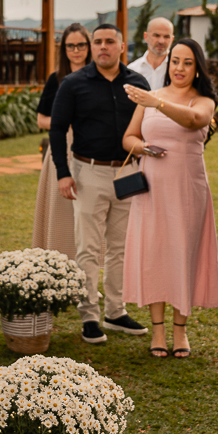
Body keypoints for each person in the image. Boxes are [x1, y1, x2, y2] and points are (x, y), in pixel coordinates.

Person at [121, 38, 218, 358]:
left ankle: (180, 331)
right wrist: (143, 148)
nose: (179, 68)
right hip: (152, 190)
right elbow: (128, 137)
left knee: (182, 253)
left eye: (187, 62)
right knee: (155, 255)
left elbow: (194, 120)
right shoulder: (152, 97)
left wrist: (157, 103)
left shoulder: (203, 101)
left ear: (197, 69)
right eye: (175, 61)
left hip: (187, 190)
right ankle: (157, 330)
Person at [50, 24, 150, 344]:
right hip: (88, 173)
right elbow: (57, 129)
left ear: (122, 46)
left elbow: (150, 126)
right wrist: (63, 172)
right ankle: (89, 315)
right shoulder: (73, 83)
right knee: (89, 249)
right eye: (97, 42)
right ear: (92, 47)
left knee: (120, 248)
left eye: (109, 41)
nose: (103, 47)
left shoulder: (138, 83)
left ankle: (115, 311)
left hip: (128, 172)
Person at [31, 24, 92, 259]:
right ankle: (61, 261)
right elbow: (41, 119)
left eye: (81, 45)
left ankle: (88, 265)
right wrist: (65, 122)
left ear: (88, 47)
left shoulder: (98, 77)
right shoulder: (56, 79)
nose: (76, 51)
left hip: (92, 147)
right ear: (64, 49)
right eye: (70, 46)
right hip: (62, 146)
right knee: (61, 209)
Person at [128, 16, 175, 89]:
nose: (161, 41)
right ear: (146, 37)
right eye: (156, 35)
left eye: (166, 37)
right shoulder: (132, 70)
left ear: (172, 39)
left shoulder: (177, 70)